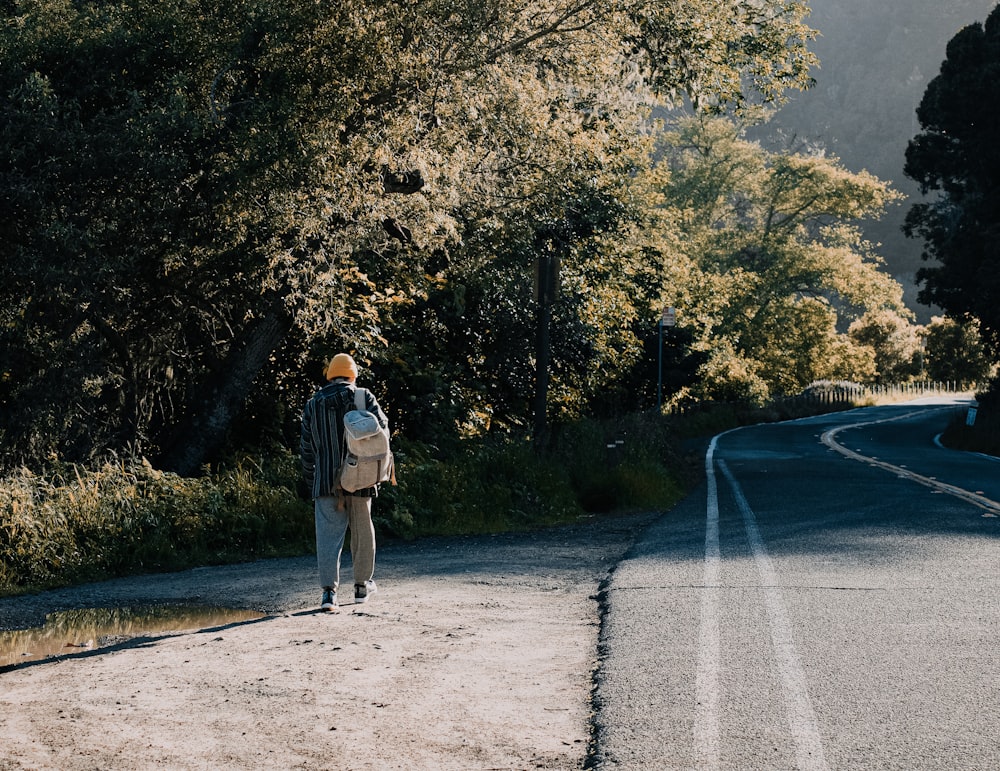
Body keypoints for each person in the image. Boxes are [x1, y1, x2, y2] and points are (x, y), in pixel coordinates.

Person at [300, 353, 389, 610]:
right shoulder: (363, 397)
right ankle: (362, 587)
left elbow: (306, 448)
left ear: (330, 375)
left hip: (325, 480)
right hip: (360, 478)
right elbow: (382, 431)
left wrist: (311, 480)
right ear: (353, 375)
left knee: (328, 537)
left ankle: (329, 594)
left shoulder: (313, 404)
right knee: (362, 532)